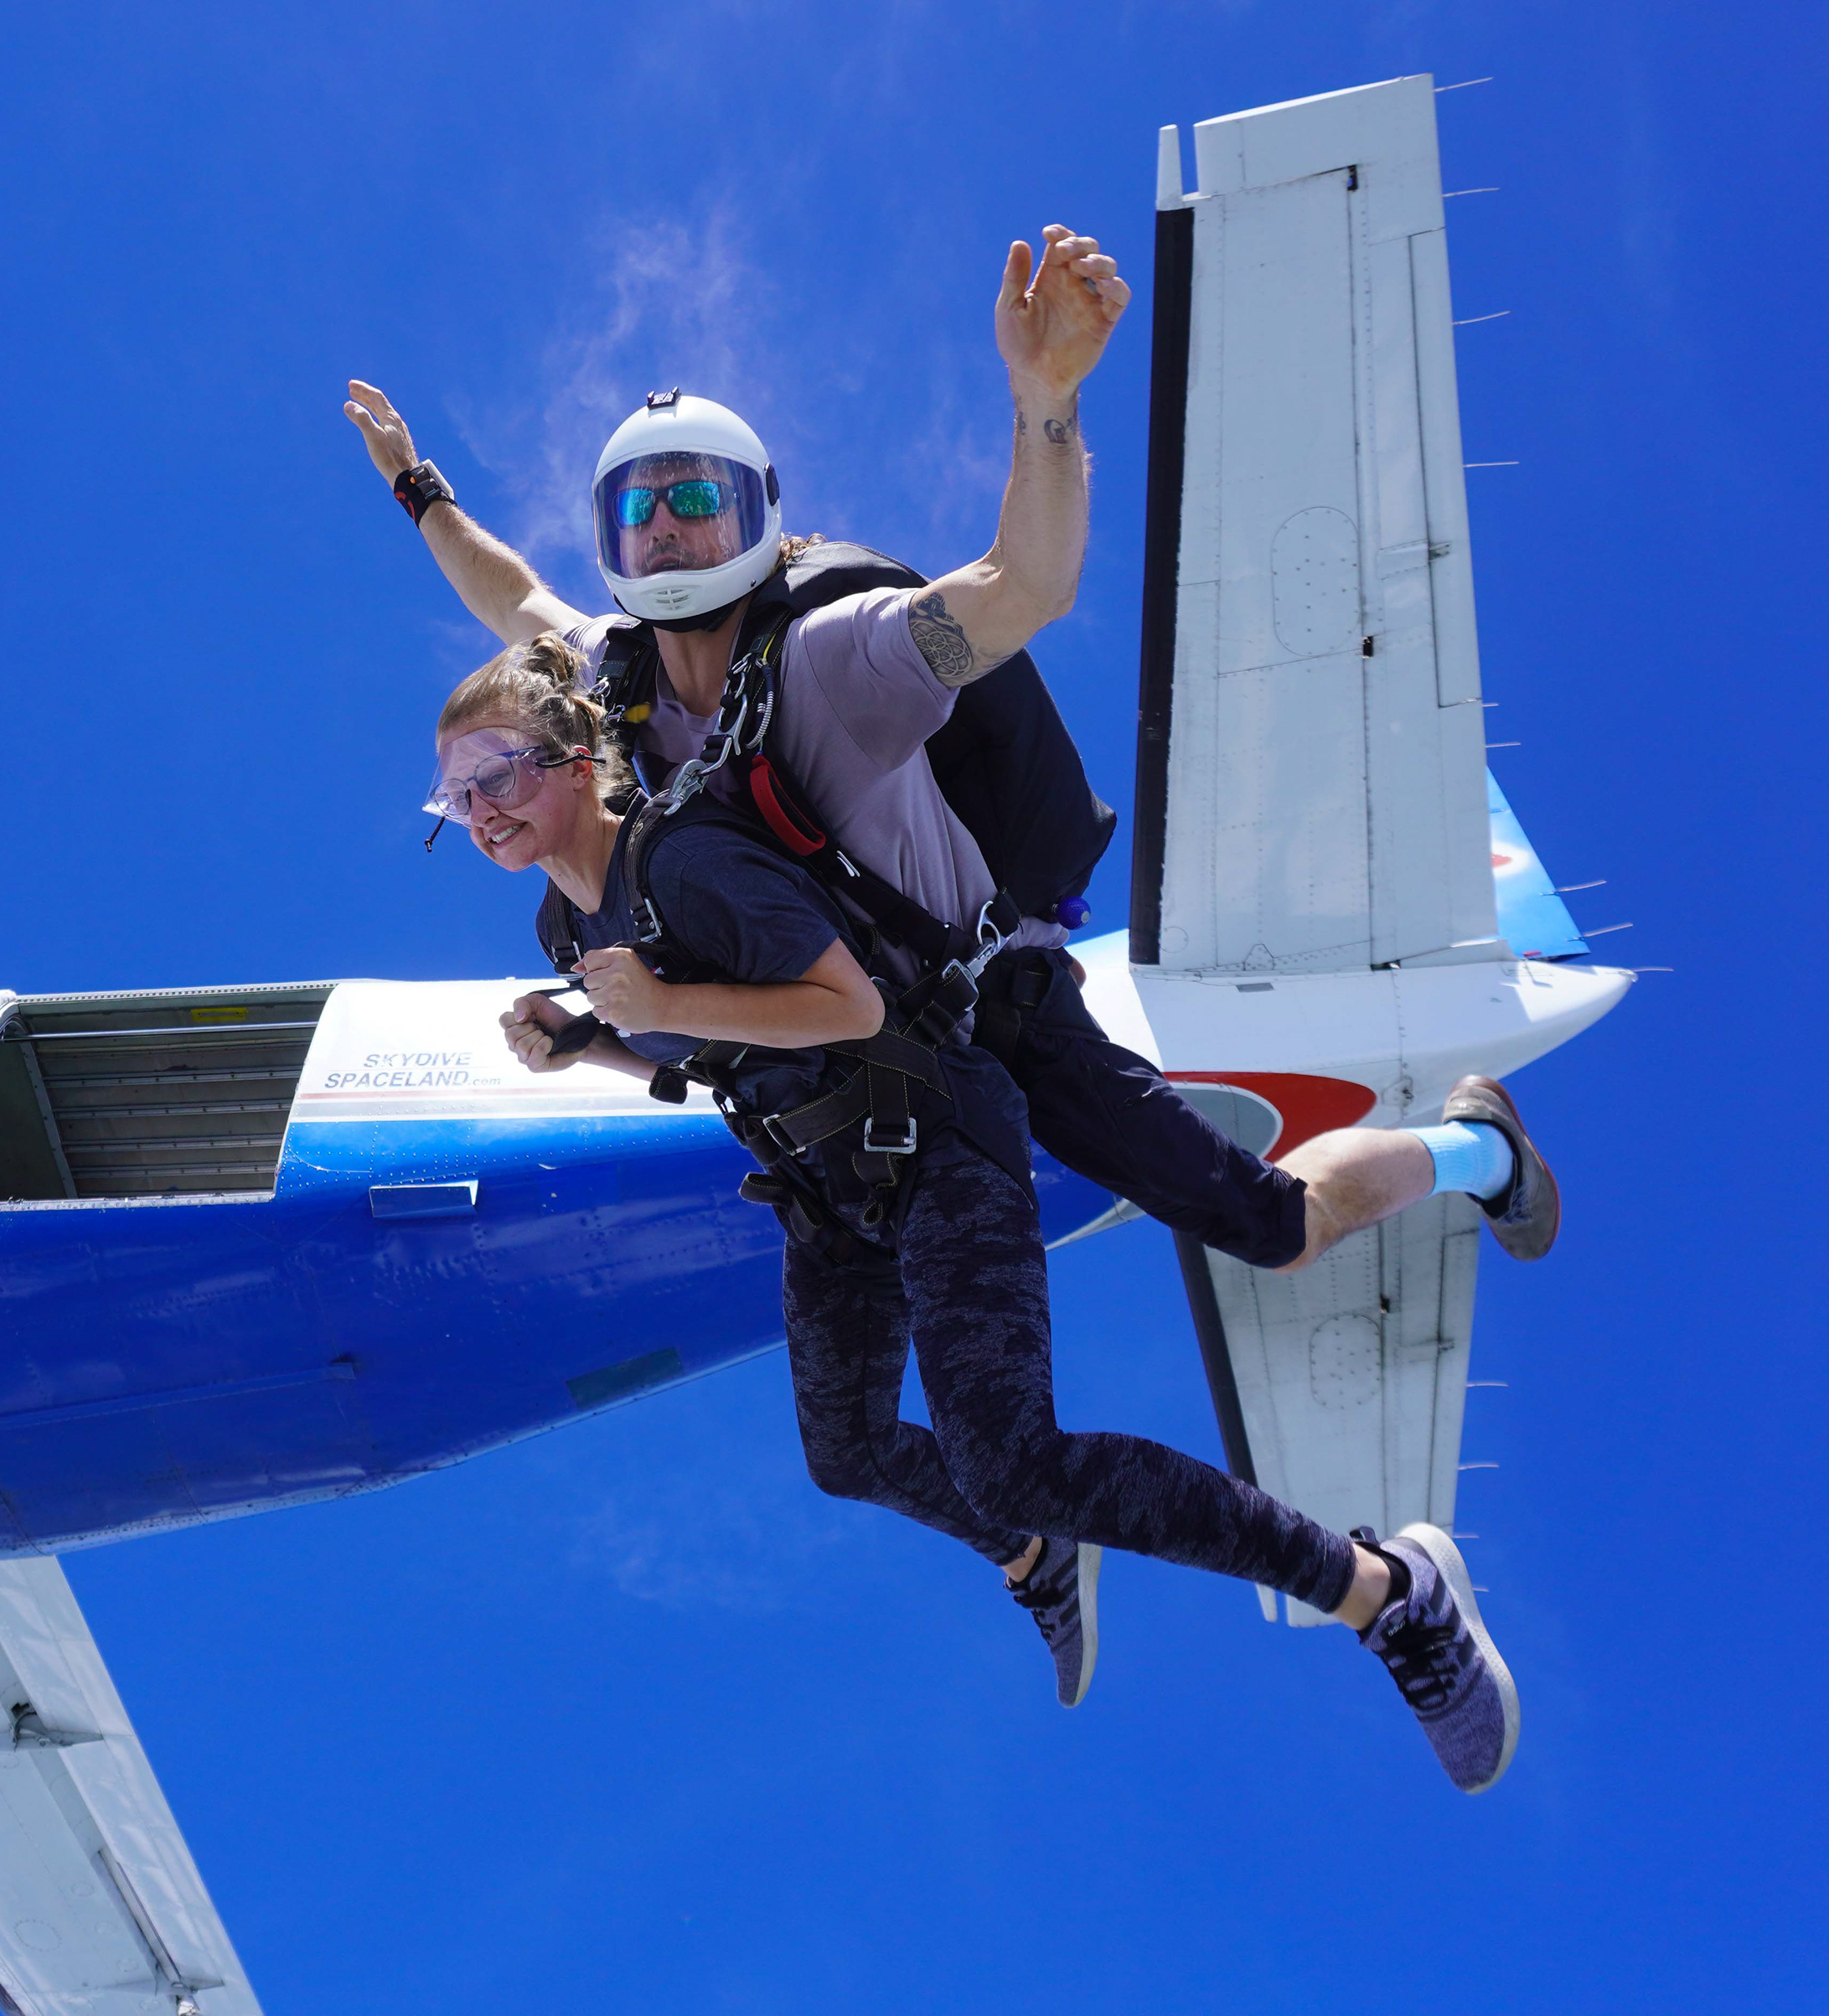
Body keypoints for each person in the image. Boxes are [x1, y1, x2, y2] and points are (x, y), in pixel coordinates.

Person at [344, 224, 1559, 1287]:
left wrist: (1046, 400)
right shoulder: (610, 679)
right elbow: (509, 596)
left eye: (696, 499)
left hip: (994, 1009)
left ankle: (1473, 1148)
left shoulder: (840, 658)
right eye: (637, 506)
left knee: (1274, 1229)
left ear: (756, 512)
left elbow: (1021, 586)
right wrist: (416, 487)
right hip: (867, 1049)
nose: (664, 525)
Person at [424, 636, 1519, 1789]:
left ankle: (1389, 1591)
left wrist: (656, 999)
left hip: (934, 1136)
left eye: (499, 771)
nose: (481, 808)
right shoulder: (564, 931)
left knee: (1014, 1453)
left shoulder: (684, 860)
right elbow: (719, 1055)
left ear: (577, 756)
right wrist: (592, 1046)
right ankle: (1038, 1550)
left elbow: (847, 1008)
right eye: (454, 794)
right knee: (848, 1453)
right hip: (827, 1190)